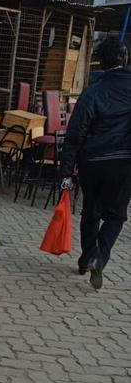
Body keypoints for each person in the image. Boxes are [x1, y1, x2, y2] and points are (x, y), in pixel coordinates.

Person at [60, 37, 131, 291]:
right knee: (116, 215)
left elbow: (75, 132)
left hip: (91, 161)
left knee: (91, 211)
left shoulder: (92, 91)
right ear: (124, 59)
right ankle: (99, 257)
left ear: (101, 62)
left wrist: (66, 170)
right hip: (124, 162)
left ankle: (85, 258)